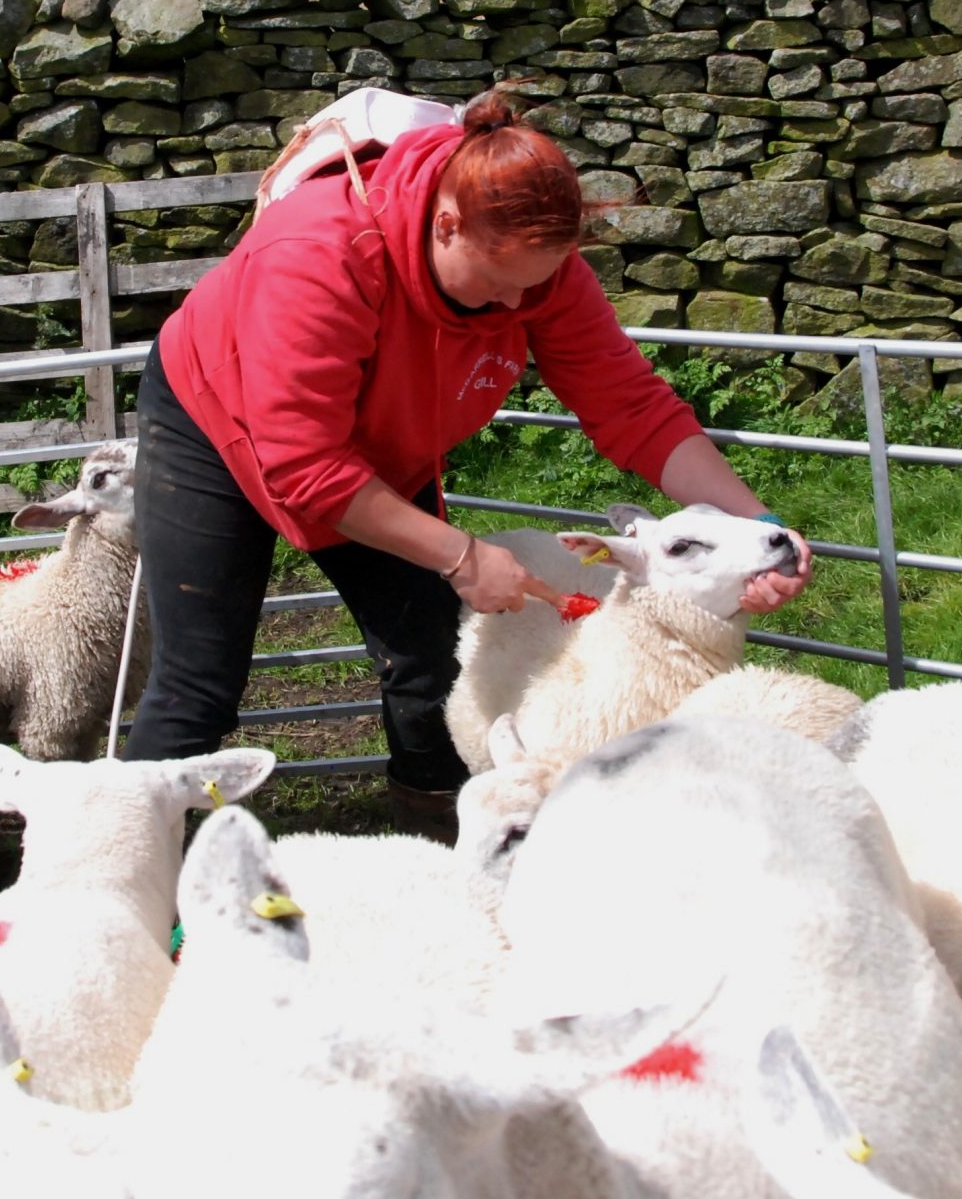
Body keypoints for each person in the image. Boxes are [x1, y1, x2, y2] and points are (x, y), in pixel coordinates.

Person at [122, 87, 812, 835]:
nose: (517, 305)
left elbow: (632, 407)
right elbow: (305, 466)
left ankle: (443, 844)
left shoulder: (535, 273)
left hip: (378, 446)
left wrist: (762, 527)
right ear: (445, 224)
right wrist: (459, 554)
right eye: (497, 281)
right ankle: (130, 882)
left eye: (537, 284)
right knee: (199, 681)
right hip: (214, 424)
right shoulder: (318, 254)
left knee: (431, 654)